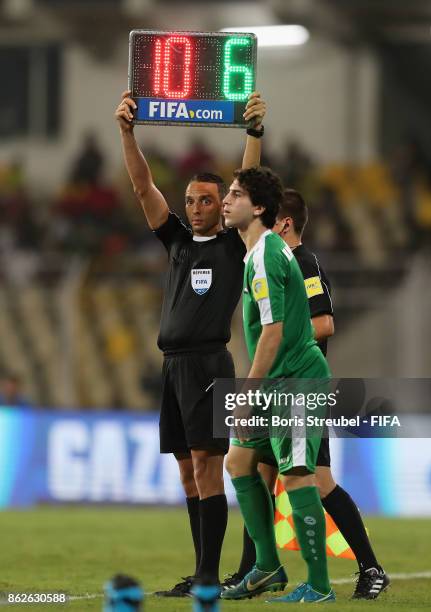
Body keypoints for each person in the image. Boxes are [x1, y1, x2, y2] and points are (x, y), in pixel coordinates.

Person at [114, 90, 266, 594]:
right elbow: (141, 188)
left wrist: (254, 134)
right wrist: (127, 132)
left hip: (208, 365)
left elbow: (247, 185)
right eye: (191, 201)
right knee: (186, 471)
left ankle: (207, 575)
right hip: (173, 366)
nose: (197, 208)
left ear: (224, 207)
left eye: (207, 201)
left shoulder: (232, 245)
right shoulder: (176, 240)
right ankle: (201, 570)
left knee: (207, 464)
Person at [226, 188, 390, 600]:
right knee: (249, 465)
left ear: (283, 223)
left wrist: (283, 333)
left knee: (317, 481)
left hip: (299, 386)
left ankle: (369, 567)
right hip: (274, 383)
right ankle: (258, 569)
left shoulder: (302, 262)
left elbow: (325, 324)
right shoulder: (265, 257)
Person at [221, 167, 335, 603]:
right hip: (276, 382)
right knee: (239, 462)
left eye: (236, 194)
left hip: (296, 383)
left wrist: (247, 393)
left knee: (298, 476)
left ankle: (320, 587)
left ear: (261, 208)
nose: (227, 200)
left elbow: (272, 331)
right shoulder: (256, 249)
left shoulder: (267, 255)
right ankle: (267, 567)